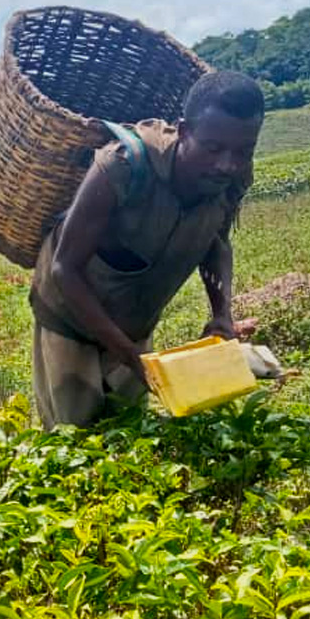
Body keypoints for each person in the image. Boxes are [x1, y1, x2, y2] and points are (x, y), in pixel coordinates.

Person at [29, 71, 264, 429]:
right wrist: (131, 357)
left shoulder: (233, 178)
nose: (227, 164)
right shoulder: (122, 166)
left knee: (129, 432)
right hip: (69, 316)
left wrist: (222, 313)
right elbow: (65, 269)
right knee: (72, 435)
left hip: (134, 322)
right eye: (213, 148)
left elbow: (217, 242)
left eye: (243, 151)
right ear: (184, 132)